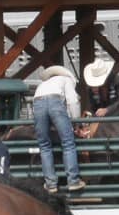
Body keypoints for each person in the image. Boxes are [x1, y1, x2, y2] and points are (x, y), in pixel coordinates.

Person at [32, 65, 84, 194]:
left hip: (38, 103)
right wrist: (77, 123)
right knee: (68, 143)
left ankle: (50, 184)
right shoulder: (66, 80)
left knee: (44, 145)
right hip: (55, 101)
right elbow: (72, 101)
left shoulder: (42, 85)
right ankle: (73, 181)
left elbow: (35, 109)